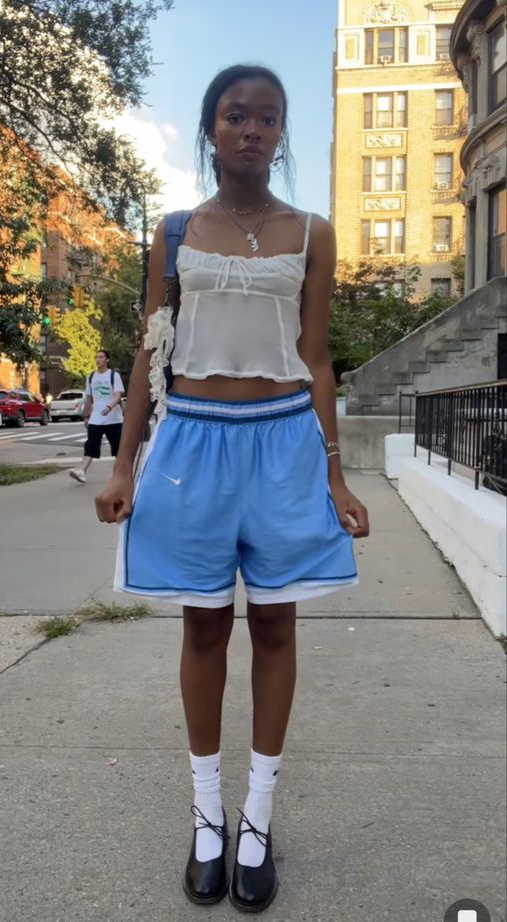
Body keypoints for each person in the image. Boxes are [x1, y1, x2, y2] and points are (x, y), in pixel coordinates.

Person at [95, 64, 370, 913]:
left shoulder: (312, 232)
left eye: (267, 119)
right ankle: (207, 814)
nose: (251, 130)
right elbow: (151, 348)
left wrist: (335, 470)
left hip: (285, 440)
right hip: (197, 444)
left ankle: (258, 819)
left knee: (276, 626)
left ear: (281, 134)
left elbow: (317, 360)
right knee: (205, 627)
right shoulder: (175, 232)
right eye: (234, 116)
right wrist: (122, 460)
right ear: (211, 130)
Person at [69, 349, 123, 484]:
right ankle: (81, 471)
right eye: (96, 357)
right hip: (96, 419)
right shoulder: (91, 377)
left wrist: (109, 407)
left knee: (118, 449)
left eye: (101, 357)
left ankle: (120, 475)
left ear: (107, 360)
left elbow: (118, 396)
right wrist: (86, 416)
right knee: (91, 445)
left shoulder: (114, 376)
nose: (98, 360)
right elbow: (89, 398)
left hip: (113, 419)